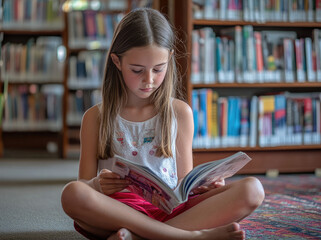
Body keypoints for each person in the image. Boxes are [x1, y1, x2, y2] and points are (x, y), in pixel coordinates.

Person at [61, 8, 265, 240]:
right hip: (118, 210)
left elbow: (183, 183)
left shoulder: (179, 112)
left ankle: (139, 237)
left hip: (169, 210)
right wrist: (97, 185)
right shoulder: (95, 117)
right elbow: (84, 184)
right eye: (137, 70)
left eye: (158, 69)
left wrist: (202, 186)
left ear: (169, 58)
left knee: (252, 189)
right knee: (72, 193)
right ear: (117, 61)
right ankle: (189, 236)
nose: (149, 80)